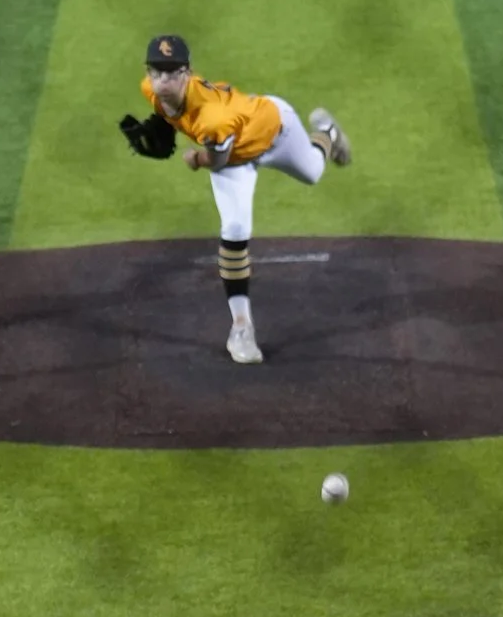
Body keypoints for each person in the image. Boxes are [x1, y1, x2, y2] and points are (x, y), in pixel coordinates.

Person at [119, 30, 352, 366]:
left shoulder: (212, 119)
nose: (162, 79)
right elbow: (174, 117)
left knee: (314, 171)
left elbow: (217, 160)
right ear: (147, 74)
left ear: (186, 73)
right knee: (235, 229)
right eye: (156, 71)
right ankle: (241, 327)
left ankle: (327, 133)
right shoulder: (151, 92)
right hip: (236, 145)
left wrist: (195, 159)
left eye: (171, 72)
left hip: (274, 131)